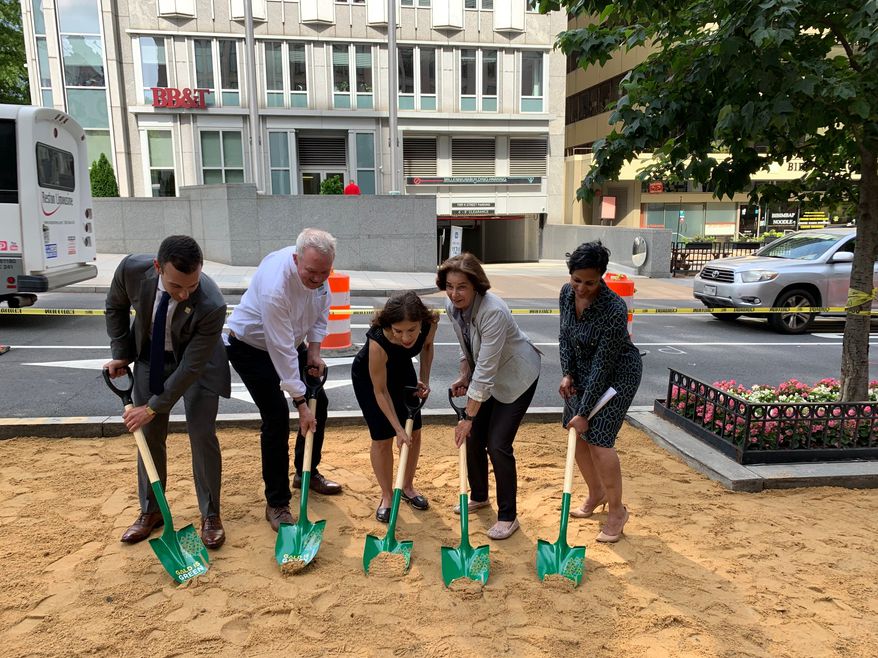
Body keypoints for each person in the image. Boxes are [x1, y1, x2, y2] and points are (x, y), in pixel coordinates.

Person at [104, 235, 231, 549]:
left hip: (198, 366)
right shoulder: (131, 270)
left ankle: (211, 513)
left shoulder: (212, 303)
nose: (185, 293)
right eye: (176, 286)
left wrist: (152, 406)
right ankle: (151, 510)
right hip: (151, 358)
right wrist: (122, 352)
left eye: (192, 284)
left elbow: (190, 367)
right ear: (158, 267)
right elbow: (115, 307)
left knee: (202, 434)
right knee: (148, 435)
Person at [226, 228, 343, 533]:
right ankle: (277, 502)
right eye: (311, 272)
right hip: (251, 346)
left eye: (324, 272)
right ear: (296, 259)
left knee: (321, 403)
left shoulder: (319, 276)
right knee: (277, 416)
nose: (317, 278)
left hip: (289, 341)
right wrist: (300, 401)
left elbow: (321, 311)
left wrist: (315, 351)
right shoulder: (276, 286)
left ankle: (306, 472)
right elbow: (280, 349)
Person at [438, 253, 541, 540]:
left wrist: (469, 416)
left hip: (516, 378)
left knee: (497, 444)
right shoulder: (451, 306)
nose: (454, 293)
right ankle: (480, 495)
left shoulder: (493, 311)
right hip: (488, 377)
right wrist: (463, 374)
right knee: (473, 438)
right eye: (449, 286)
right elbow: (466, 343)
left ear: (477, 287)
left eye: (462, 287)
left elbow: (487, 367)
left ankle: (508, 516)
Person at [559, 241, 642, 543]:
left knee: (599, 440)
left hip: (617, 375)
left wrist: (584, 412)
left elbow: (603, 366)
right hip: (581, 370)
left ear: (602, 277)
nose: (581, 288)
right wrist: (567, 373)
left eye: (590, 282)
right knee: (576, 435)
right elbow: (564, 335)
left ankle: (617, 511)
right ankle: (596, 493)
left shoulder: (613, 308)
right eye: (576, 280)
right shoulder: (566, 294)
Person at [351, 291, 438, 522]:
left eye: (412, 330)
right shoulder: (378, 341)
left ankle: (407, 487)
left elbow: (427, 348)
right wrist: (397, 428)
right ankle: (387, 495)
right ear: (390, 325)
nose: (406, 337)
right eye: (398, 331)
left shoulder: (430, 323)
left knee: (415, 433)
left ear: (421, 321)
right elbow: (380, 392)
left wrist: (425, 381)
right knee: (383, 437)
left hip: (402, 368)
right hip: (370, 379)